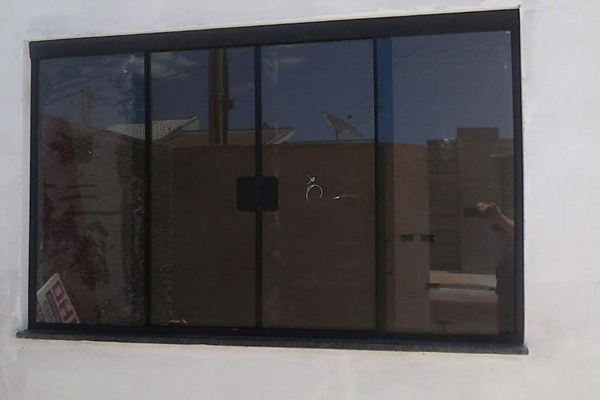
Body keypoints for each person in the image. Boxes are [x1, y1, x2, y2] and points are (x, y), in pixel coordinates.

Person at [477, 202, 515, 335]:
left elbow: (524, 235)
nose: (501, 238)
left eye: (504, 232)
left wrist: (500, 219)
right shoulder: (504, 264)